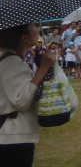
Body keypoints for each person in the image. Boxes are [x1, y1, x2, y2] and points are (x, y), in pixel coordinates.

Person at [0, 23, 56, 167]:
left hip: (12, 136)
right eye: (33, 27)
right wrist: (43, 68)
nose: (38, 30)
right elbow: (22, 100)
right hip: (13, 139)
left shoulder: (11, 59)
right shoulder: (12, 62)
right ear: (25, 38)